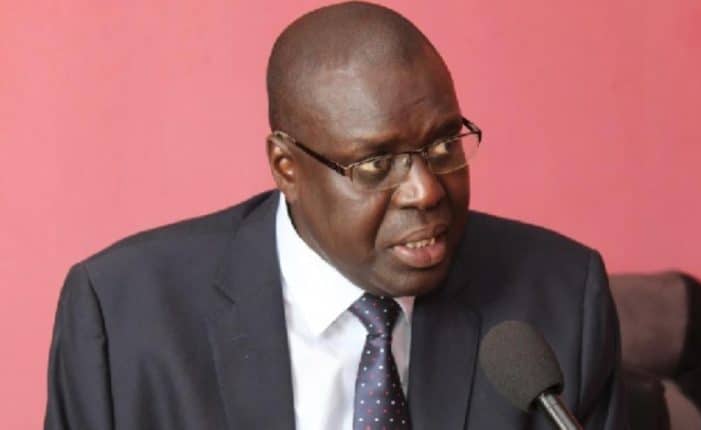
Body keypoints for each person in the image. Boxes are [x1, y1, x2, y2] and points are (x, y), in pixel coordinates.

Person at [45, 2, 626, 429]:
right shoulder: (123, 317)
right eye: (376, 165)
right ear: (287, 168)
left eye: (444, 145)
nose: (424, 191)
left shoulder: (561, 299)